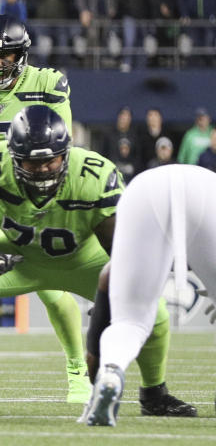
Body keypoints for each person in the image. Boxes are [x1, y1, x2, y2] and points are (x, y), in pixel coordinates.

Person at [0, 106, 194, 418]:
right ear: (13, 156)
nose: (41, 168)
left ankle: (154, 394)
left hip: (82, 258)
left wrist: (113, 301)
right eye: (31, 160)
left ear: (66, 153)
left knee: (154, 308)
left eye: (50, 159)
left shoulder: (95, 175)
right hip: (19, 255)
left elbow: (121, 251)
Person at [0, 14, 88, 405]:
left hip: (40, 202)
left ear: (20, 54)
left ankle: (78, 372)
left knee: (53, 292)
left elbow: (63, 150)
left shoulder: (47, 83)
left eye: (4, 54)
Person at [80, 164, 210, 426]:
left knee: (130, 322)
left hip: (143, 190)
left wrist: (95, 361)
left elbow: (108, 275)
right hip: (208, 189)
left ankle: (111, 373)